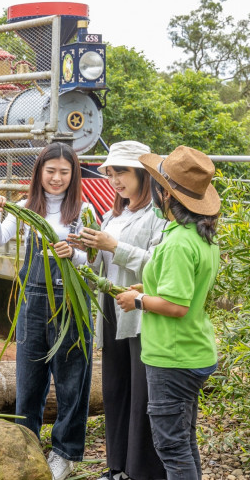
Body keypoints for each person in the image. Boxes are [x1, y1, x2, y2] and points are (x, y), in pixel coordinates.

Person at [0, 142, 93, 480]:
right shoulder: (24, 208)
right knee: (29, 380)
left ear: (74, 174)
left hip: (71, 304)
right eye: (51, 171)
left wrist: (72, 255)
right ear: (39, 173)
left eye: (64, 172)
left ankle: (65, 453)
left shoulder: (85, 211)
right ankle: (26, 446)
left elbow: (91, 261)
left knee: (72, 380)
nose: (57, 178)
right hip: (32, 302)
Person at [115, 146, 220, 479]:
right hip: (193, 350)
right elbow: (184, 288)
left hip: (172, 357)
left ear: (165, 195)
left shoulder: (177, 243)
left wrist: (139, 302)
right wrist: (144, 290)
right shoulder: (200, 237)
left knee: (171, 448)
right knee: (183, 441)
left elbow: (177, 305)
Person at [73, 141, 167, 480]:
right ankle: (117, 467)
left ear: (143, 173)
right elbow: (104, 263)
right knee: (115, 390)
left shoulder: (158, 215)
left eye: (121, 172)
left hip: (142, 312)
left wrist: (114, 246)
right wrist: (89, 252)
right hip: (112, 309)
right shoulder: (113, 214)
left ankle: (140, 472)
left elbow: (159, 269)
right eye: (111, 173)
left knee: (141, 395)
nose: (114, 180)